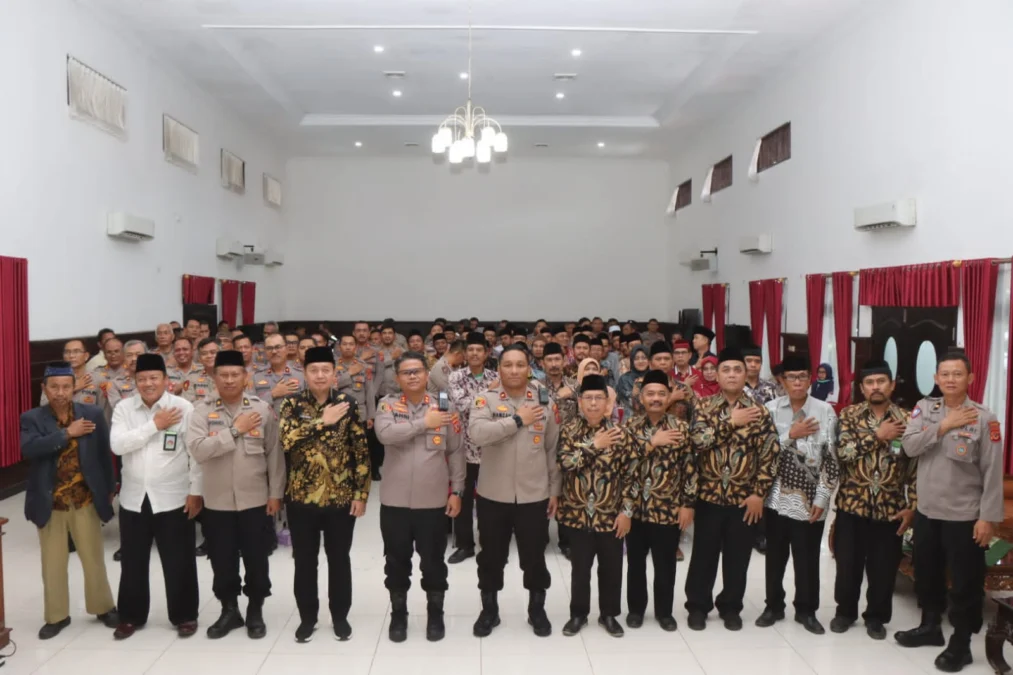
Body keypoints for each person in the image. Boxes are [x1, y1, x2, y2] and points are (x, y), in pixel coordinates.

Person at [894, 352, 1004, 672]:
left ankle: (961, 642)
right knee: (926, 574)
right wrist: (943, 426)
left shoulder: (985, 418)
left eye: (958, 374)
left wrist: (988, 517)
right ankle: (930, 627)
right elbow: (910, 447)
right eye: (945, 374)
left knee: (966, 582)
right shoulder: (925, 410)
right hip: (928, 512)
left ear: (970, 379)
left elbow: (992, 472)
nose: (951, 379)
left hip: (965, 515)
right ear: (936, 379)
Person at [187, 350, 285, 640]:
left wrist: (276, 493)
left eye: (235, 374)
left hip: (256, 500)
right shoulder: (201, 412)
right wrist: (234, 430)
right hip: (217, 502)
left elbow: (274, 455)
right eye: (223, 375)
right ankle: (229, 609)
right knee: (222, 560)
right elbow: (199, 450)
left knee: (257, 559)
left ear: (245, 377)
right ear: (213, 377)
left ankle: (255, 608)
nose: (229, 380)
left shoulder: (262, 410)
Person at [278, 347, 371, 643]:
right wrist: (323, 422)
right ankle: (308, 617)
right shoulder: (290, 404)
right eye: (313, 370)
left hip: (341, 498)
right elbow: (287, 440)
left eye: (325, 370)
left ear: (334, 374)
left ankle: (340, 615)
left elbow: (360, 451)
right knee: (304, 560)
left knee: (339, 558)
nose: (320, 375)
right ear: (304, 374)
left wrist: (361, 494)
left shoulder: (348, 403)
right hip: (301, 498)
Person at [21, 362, 119, 640]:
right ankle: (56, 616)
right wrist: (67, 433)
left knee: (93, 558)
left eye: (66, 386)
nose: (61, 392)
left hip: (84, 499)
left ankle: (103, 607)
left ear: (74, 387)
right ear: (45, 389)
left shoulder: (92, 413)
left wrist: (110, 487)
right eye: (55, 387)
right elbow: (29, 448)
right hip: (49, 502)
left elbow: (103, 453)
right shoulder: (32, 418)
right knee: (52, 563)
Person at [468, 345, 561, 638]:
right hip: (493, 495)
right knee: (491, 557)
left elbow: (551, 449)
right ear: (499, 368)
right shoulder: (486, 399)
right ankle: (489, 610)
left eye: (520, 365)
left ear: (529, 368)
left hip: (534, 496)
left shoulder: (545, 401)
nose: (514, 370)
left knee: (534, 556)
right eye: (507, 365)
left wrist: (554, 491)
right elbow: (478, 434)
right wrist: (517, 419)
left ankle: (537, 609)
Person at [684, 348, 779, 631]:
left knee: (738, 557)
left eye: (738, 369)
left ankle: (730, 606)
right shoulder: (703, 406)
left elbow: (770, 453)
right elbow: (697, 442)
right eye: (726, 370)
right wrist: (730, 422)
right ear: (717, 374)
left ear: (746, 373)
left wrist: (758, 493)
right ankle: (698, 606)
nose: (732, 375)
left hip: (744, 499)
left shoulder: (759, 411)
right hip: (708, 497)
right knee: (704, 555)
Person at [109, 354, 202, 640]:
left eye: (153, 378)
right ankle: (131, 616)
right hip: (134, 499)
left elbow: (195, 454)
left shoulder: (184, 407)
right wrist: (154, 425)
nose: (148, 384)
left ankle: (185, 616)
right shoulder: (124, 408)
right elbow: (118, 445)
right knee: (133, 562)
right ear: (134, 381)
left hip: (173, 497)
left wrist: (196, 491)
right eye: (142, 379)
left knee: (180, 560)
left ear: (166, 380)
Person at [374, 351, 465, 643]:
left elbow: (456, 451)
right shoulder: (387, 404)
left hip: (433, 501)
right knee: (396, 561)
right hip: (395, 503)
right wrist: (424, 424)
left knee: (433, 562)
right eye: (406, 372)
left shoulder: (444, 405)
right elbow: (385, 435)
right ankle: (398, 614)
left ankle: (435, 613)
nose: (412, 376)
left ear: (427, 374)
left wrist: (458, 491)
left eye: (417, 371)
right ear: (397, 378)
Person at [831, 359, 915, 640]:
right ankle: (845, 612)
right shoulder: (849, 415)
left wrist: (912, 506)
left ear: (891, 385)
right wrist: (878, 436)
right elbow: (842, 454)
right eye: (870, 382)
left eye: (881, 381)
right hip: (852, 504)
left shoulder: (907, 420)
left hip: (890, 508)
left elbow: (915, 467)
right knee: (847, 564)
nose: (876, 387)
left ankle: (876, 617)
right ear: (861, 388)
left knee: (883, 567)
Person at [755, 355, 839, 635]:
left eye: (804, 376)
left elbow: (833, 460)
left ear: (810, 379)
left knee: (807, 558)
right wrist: (790, 434)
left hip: (811, 501)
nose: (798, 382)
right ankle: (773, 606)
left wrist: (823, 498)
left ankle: (807, 610)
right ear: (782, 380)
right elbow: (761, 451)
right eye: (792, 377)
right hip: (774, 499)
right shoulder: (768, 410)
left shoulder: (825, 411)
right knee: (775, 556)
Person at [557, 374, 634, 638]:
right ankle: (578, 614)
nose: (592, 404)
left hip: (611, 516)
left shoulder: (619, 433)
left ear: (607, 403)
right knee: (580, 570)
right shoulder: (568, 430)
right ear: (579, 402)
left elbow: (630, 476)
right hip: (577, 516)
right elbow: (565, 463)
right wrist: (594, 445)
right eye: (587, 398)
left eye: (598, 398)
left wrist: (627, 512)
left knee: (611, 569)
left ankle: (609, 614)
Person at [624, 369, 695, 632]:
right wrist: (652, 442)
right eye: (650, 394)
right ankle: (636, 610)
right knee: (635, 564)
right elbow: (623, 465)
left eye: (661, 394)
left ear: (669, 398)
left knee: (665, 564)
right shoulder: (629, 427)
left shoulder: (681, 428)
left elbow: (690, 468)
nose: (655, 398)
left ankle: (664, 612)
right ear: (641, 398)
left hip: (667, 510)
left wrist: (687, 504)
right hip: (635, 510)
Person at [446, 332, 498, 564]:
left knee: (490, 500)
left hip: (491, 448)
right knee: (463, 498)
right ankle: (465, 545)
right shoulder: (456, 377)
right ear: (465, 354)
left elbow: (499, 409)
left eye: (480, 350)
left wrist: (484, 400)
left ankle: (490, 544)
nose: (475, 353)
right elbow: (463, 405)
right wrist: (488, 394)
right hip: (464, 447)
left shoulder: (496, 376)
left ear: (487, 353)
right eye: (471, 350)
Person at [616, 345, 649, 412]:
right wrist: (633, 394)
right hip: (630, 417)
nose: (640, 361)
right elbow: (622, 403)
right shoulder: (624, 379)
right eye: (636, 358)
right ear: (632, 361)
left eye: (644, 358)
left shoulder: (654, 377)